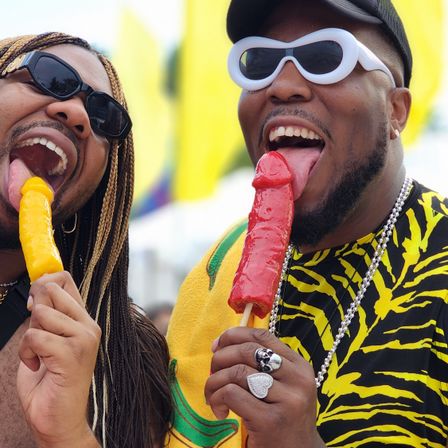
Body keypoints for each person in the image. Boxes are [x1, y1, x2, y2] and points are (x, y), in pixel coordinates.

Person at [165, 0, 448, 447]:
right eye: (258, 61)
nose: (283, 85)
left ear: (396, 110)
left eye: (325, 57)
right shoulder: (216, 270)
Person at [0, 33, 171, 447]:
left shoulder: (123, 359)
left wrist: (68, 434)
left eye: (104, 117)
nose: (77, 113)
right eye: (48, 77)